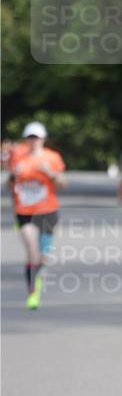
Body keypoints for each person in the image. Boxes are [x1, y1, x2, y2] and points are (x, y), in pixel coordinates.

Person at [9, 121, 66, 310]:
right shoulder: (18, 157)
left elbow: (63, 184)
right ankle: (32, 291)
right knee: (31, 249)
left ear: (43, 139)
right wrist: (12, 176)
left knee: (43, 257)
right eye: (30, 137)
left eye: (36, 137)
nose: (33, 141)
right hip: (24, 212)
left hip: (47, 211)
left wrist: (49, 173)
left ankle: (39, 274)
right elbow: (9, 186)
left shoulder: (52, 157)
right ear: (26, 139)